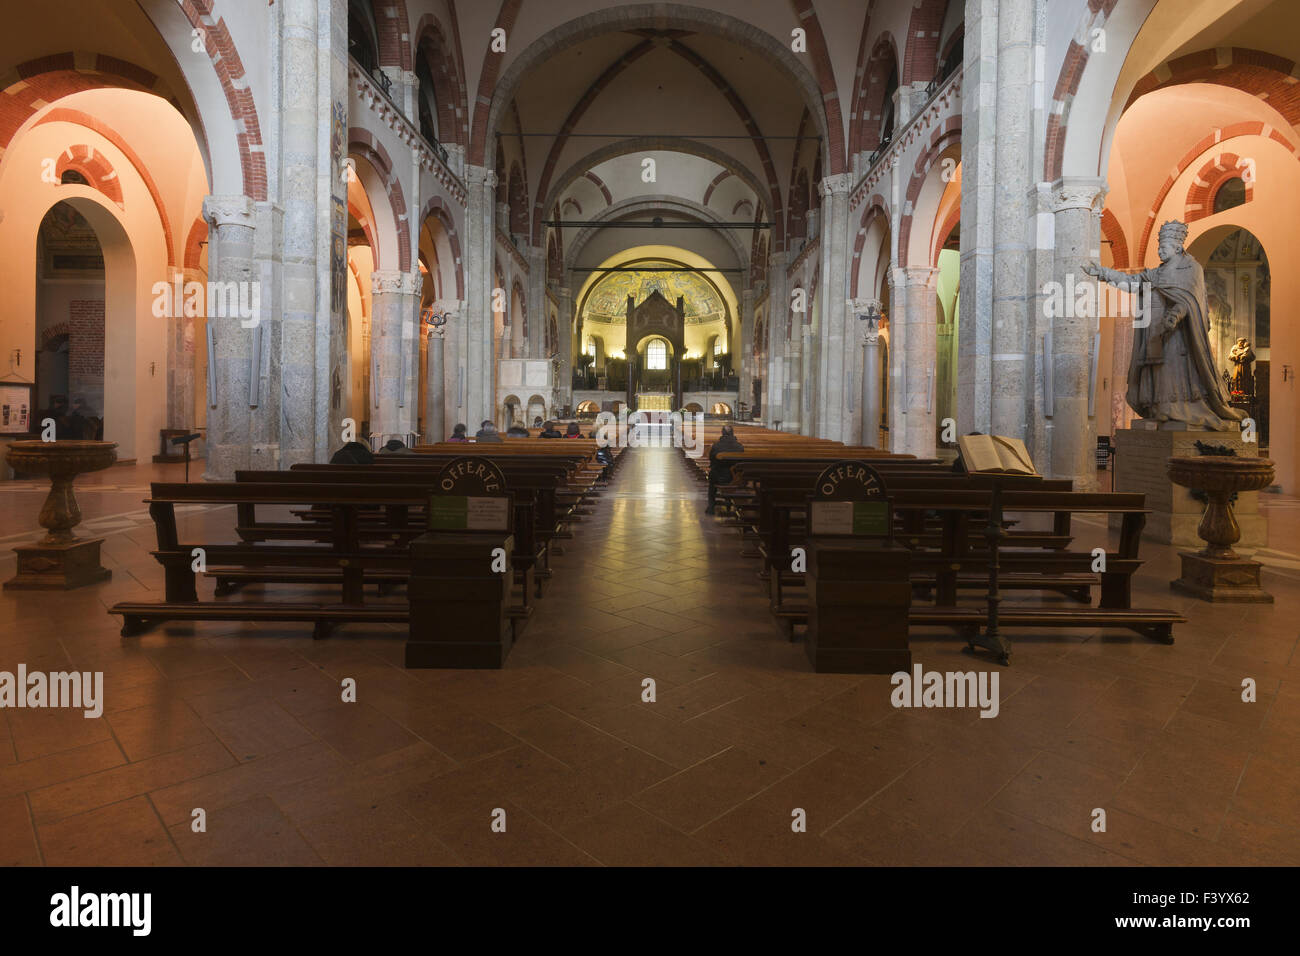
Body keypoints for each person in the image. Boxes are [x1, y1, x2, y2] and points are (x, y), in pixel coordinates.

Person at [705, 424, 744, 515]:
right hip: (734, 478)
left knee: (712, 484)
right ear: (732, 433)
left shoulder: (716, 446)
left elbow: (711, 459)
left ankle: (711, 506)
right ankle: (728, 503)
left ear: (722, 433)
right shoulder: (739, 447)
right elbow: (741, 462)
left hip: (717, 476)